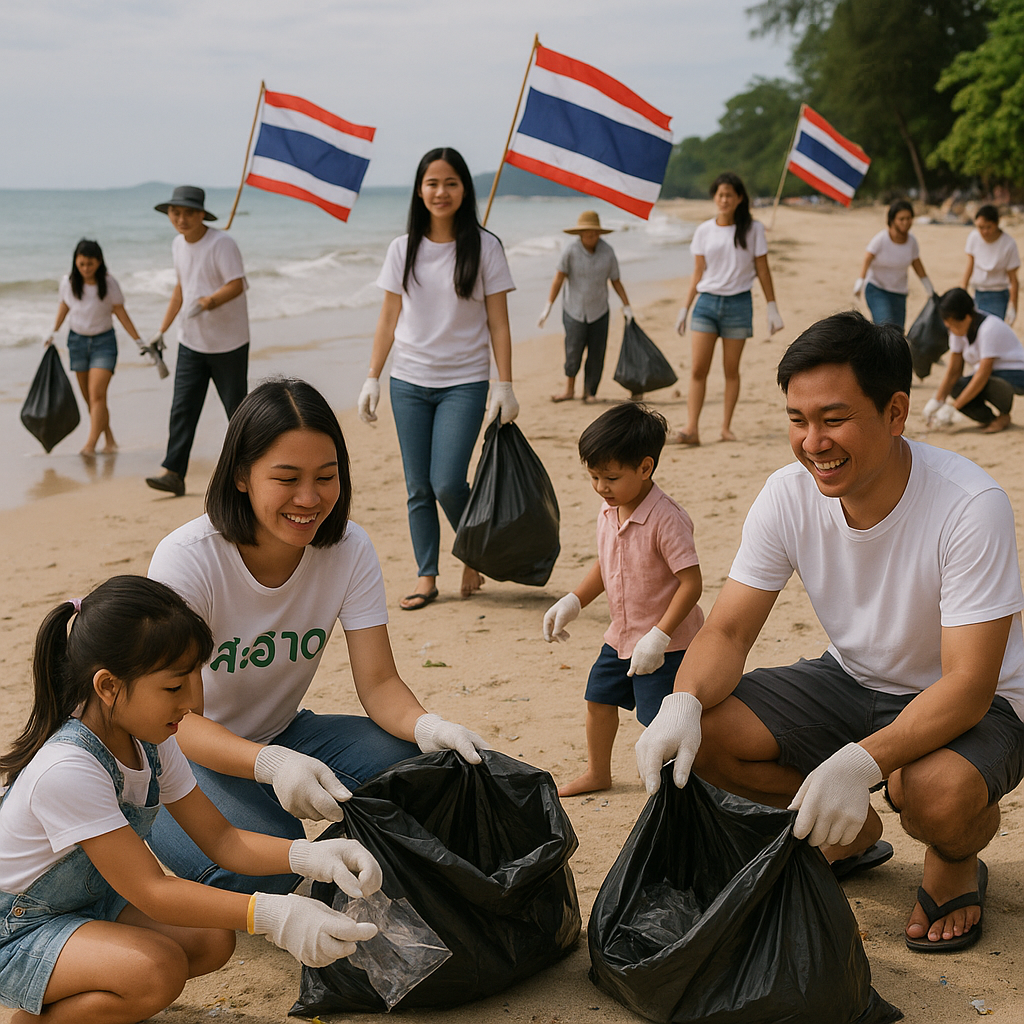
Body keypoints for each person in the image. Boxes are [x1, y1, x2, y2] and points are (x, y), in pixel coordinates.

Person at [636, 311, 1024, 953]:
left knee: (928, 791)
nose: (813, 442)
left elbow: (969, 683)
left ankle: (955, 858)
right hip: (849, 677)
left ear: (895, 412)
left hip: (977, 704)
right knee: (699, 736)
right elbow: (729, 630)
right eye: (798, 419)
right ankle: (851, 832)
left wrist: (862, 761)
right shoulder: (788, 494)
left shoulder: (969, 505)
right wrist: (682, 702)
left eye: (834, 419)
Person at [147, 378, 489, 894]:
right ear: (242, 475)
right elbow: (174, 717)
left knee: (432, 779)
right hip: (178, 754)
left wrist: (428, 727)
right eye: (286, 479)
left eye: (326, 477)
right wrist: (270, 765)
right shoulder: (189, 559)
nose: (309, 499)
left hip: (286, 731)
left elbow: (378, 682)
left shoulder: (348, 549)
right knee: (281, 864)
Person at [0, 576, 383, 1023]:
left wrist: (312, 856)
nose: (194, 701)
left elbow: (222, 840)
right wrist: (276, 915)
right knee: (154, 970)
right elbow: (152, 890)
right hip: (17, 928)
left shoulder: (153, 739)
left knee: (211, 940)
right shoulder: (67, 769)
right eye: (174, 687)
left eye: (198, 676)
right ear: (108, 686)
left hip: (89, 901)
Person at [358, 147, 518, 610]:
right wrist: (372, 377)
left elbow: (500, 323)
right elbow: (388, 318)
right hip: (407, 381)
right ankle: (427, 575)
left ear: (463, 188)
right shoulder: (401, 247)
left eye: (449, 182)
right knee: (418, 487)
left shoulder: (486, 246)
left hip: (464, 382)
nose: (440, 191)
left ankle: (472, 552)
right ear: (419, 189)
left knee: (447, 481)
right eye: (432, 183)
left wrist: (504, 385)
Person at [542, 402, 703, 797]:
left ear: (645, 467)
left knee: (656, 720)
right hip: (620, 636)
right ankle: (599, 772)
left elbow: (692, 583)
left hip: (667, 644)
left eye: (611, 477)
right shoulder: (609, 509)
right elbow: (608, 563)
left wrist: (660, 636)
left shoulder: (667, 519)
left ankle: (671, 791)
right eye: (594, 476)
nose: (601, 487)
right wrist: (574, 601)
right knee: (597, 699)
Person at [145, 186, 250, 498]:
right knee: (182, 409)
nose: (181, 218)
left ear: (202, 214)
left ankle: (248, 471)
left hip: (228, 343)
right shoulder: (178, 244)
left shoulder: (222, 243)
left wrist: (207, 302)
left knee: (237, 411)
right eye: (176, 213)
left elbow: (237, 285)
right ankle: (173, 473)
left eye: (188, 213)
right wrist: (162, 329)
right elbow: (181, 287)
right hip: (190, 342)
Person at [670, 172, 784, 446]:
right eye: (720, 195)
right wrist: (685, 308)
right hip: (706, 304)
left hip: (738, 304)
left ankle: (725, 428)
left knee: (731, 370)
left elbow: (762, 269)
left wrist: (772, 307)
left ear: (739, 198)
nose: (723, 200)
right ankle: (692, 429)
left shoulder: (753, 229)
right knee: (698, 369)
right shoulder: (704, 231)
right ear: (714, 197)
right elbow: (698, 272)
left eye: (729, 195)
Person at [44, 239, 142, 456]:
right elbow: (64, 306)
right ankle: (109, 440)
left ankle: (89, 446)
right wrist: (53, 331)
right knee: (90, 399)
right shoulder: (68, 283)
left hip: (104, 343)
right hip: (77, 343)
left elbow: (120, 312)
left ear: (99, 262)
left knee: (97, 395)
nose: (86, 269)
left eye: (90, 264)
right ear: (75, 263)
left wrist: (138, 340)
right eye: (81, 264)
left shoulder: (109, 283)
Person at [538, 211, 633, 403]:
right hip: (574, 311)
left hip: (599, 311)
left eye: (595, 233)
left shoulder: (608, 252)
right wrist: (548, 306)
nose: (592, 237)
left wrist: (627, 305)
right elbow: (558, 279)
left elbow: (616, 281)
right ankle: (569, 390)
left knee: (597, 354)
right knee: (573, 351)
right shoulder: (570, 251)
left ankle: (590, 393)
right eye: (588, 233)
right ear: (580, 234)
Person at [924, 288, 1024, 434]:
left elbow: (983, 374)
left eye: (954, 325)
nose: (951, 329)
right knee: (958, 387)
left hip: (1016, 374)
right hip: (991, 373)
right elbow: (954, 370)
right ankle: (990, 419)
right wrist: (938, 400)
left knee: (983, 383)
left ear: (967, 317)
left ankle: (1004, 414)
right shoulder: (957, 330)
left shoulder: (989, 328)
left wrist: (954, 407)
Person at [853, 199, 934, 327]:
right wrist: (860, 281)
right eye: (901, 219)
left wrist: (928, 286)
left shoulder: (912, 242)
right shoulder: (881, 239)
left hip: (899, 293)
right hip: (877, 289)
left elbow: (916, 263)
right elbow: (868, 257)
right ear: (892, 220)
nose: (906, 222)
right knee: (885, 327)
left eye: (909, 218)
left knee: (897, 334)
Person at [960, 204, 1019, 324]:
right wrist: (962, 291)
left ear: (997, 224)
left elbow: (1013, 279)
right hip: (977, 293)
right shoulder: (974, 237)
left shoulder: (1009, 244)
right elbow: (969, 267)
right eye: (980, 227)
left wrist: (1013, 306)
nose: (984, 231)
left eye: (988, 227)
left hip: (998, 295)